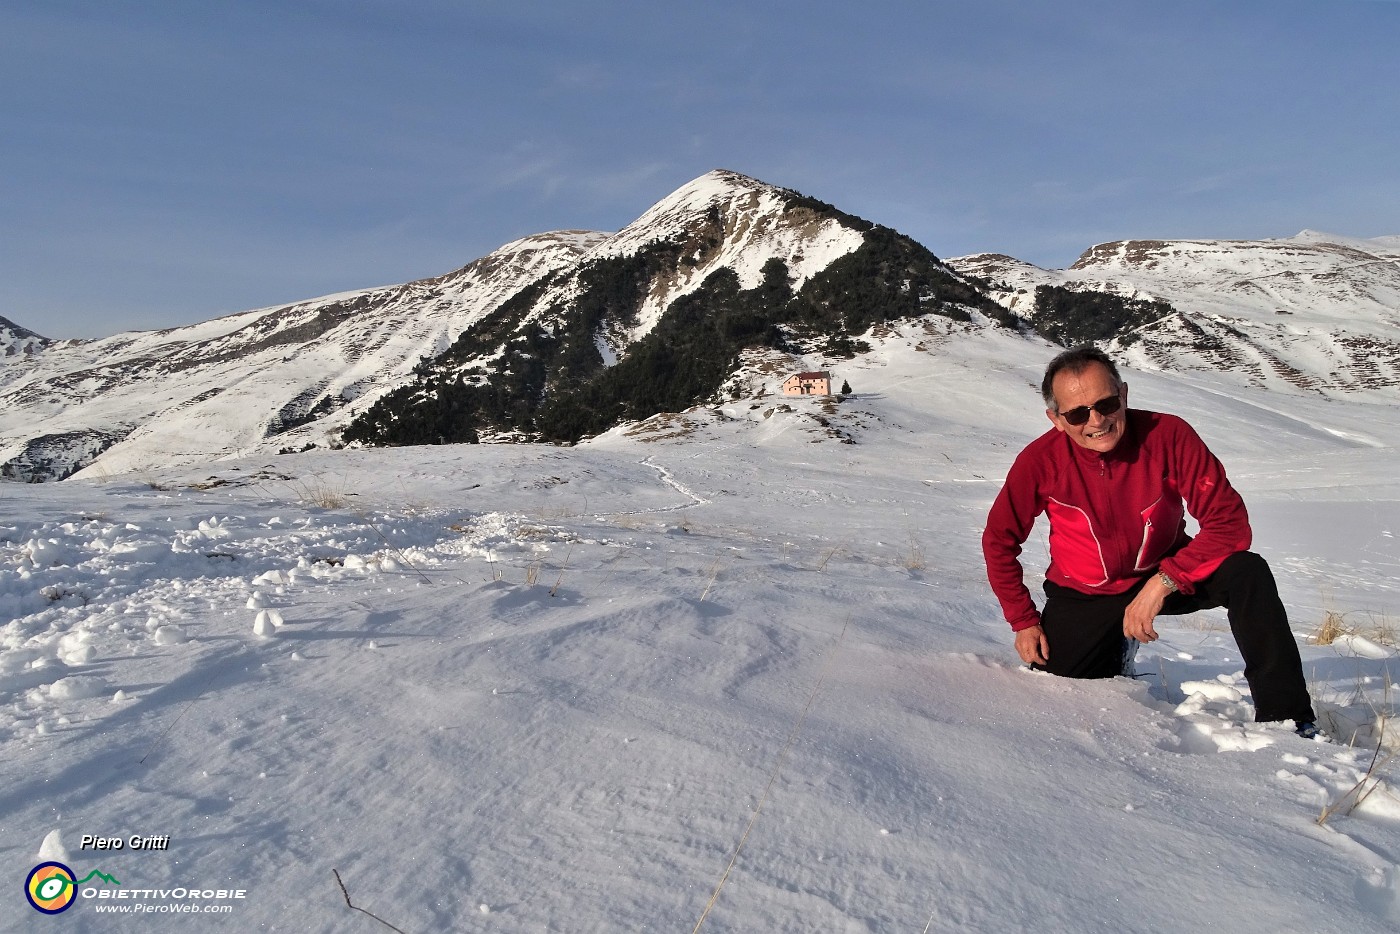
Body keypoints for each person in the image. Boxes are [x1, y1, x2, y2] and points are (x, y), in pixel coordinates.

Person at [981, 346, 1318, 735]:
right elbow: (999, 541)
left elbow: (1229, 523)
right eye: (1077, 413)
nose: (1097, 421)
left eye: (1106, 403)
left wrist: (1164, 581)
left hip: (1167, 572)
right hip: (1085, 593)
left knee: (1248, 572)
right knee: (1061, 686)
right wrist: (1023, 620)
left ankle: (1289, 718)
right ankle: (1117, 648)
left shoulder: (1168, 435)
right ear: (1056, 419)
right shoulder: (1040, 461)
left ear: (1123, 394)